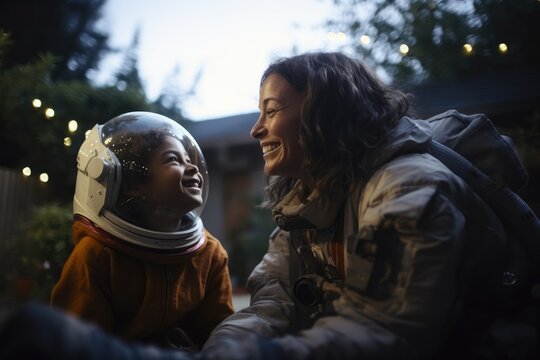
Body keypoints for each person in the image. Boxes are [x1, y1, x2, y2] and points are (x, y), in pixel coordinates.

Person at [0, 52, 536, 359]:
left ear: (327, 111)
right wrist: (225, 352)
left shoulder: (407, 187)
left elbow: (386, 330)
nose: (256, 128)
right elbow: (273, 304)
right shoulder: (307, 201)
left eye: (272, 110)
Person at [50, 111, 234, 349]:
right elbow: (78, 347)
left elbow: (221, 333)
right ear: (133, 186)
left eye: (190, 159)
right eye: (174, 160)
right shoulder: (97, 257)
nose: (192, 167)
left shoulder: (210, 254)